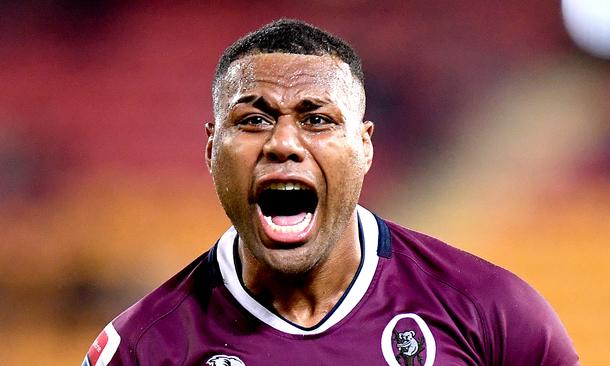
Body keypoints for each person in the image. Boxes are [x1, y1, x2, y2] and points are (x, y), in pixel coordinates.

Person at [83, 19, 579, 366]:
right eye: (253, 120)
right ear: (212, 148)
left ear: (364, 146)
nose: (282, 143)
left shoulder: (496, 314)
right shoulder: (140, 349)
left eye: (317, 119)